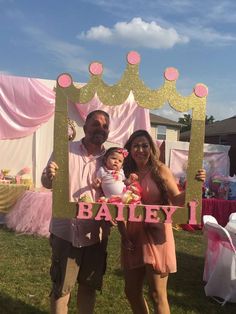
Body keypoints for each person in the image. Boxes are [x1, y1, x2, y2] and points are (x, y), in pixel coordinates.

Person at [121, 129, 206, 314]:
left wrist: (195, 185)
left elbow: (176, 199)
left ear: (151, 148)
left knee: (157, 294)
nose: (140, 150)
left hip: (157, 233)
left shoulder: (160, 170)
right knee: (131, 291)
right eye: (136, 146)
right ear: (130, 149)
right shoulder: (126, 170)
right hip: (133, 234)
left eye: (144, 145)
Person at [41, 110, 111, 314]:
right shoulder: (65, 150)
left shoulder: (110, 159)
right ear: (85, 126)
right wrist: (49, 175)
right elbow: (46, 183)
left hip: (96, 234)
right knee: (61, 289)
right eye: (96, 124)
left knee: (88, 288)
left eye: (105, 126)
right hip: (66, 232)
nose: (101, 129)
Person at [93, 146, 141, 250]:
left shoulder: (121, 172)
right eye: (113, 158)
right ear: (105, 159)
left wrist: (130, 179)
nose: (116, 162)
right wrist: (96, 184)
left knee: (135, 209)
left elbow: (125, 183)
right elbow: (98, 185)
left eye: (120, 161)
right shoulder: (102, 170)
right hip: (112, 199)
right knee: (121, 220)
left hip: (125, 195)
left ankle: (137, 235)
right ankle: (126, 238)